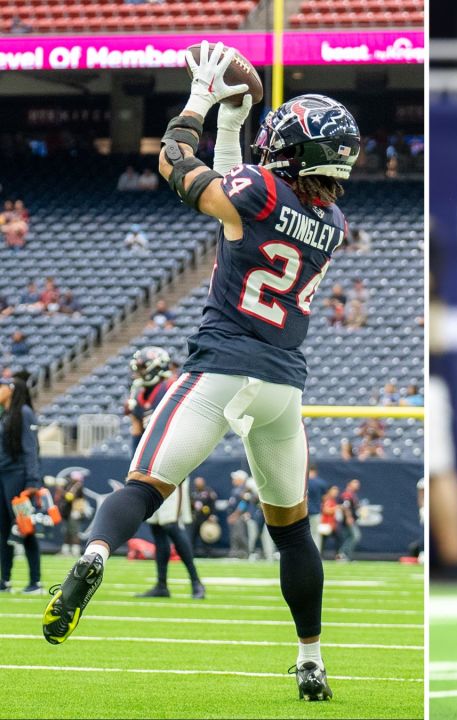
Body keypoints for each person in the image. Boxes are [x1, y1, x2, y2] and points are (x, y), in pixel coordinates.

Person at [41, 41, 361, 703]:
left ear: (291, 152)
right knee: (294, 532)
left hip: (220, 369)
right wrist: (233, 128)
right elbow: (238, 201)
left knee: (142, 487)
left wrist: (200, 99)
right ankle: (311, 661)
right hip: (281, 388)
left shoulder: (259, 191)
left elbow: (174, 164)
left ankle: (93, 558)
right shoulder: (331, 220)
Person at [124, 347, 204, 599]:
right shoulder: (141, 394)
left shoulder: (170, 389)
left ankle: (196, 582)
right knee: (157, 528)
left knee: (170, 525)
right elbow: (137, 433)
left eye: (142, 368)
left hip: (172, 465)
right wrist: (135, 466)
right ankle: (162, 585)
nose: (138, 374)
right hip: (150, 467)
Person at [0, 375, 41, 593]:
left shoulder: (23, 413)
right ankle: (4, 580)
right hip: (3, 476)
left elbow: (30, 448)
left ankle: (35, 581)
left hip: (18, 478)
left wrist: (33, 481)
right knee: (3, 530)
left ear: (11, 389)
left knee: (25, 528)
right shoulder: (5, 415)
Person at [189, 475, 219, 556]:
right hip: (195, 517)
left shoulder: (209, 492)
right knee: (193, 535)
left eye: (200, 483)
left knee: (206, 536)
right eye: (197, 483)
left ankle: (208, 552)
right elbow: (189, 504)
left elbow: (213, 504)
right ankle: (191, 552)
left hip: (205, 517)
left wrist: (212, 515)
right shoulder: (192, 492)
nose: (198, 484)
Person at [337, 479, 361, 561]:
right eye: (355, 483)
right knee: (355, 536)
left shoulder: (352, 494)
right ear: (349, 484)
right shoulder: (347, 494)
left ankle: (346, 557)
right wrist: (348, 517)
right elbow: (345, 506)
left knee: (348, 537)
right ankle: (342, 554)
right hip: (349, 520)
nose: (357, 485)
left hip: (350, 519)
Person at [305, 464, 327, 550]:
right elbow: (325, 498)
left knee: (302, 534)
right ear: (315, 471)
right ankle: (316, 554)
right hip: (316, 512)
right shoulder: (321, 482)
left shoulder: (303, 482)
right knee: (315, 534)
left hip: (303, 513)